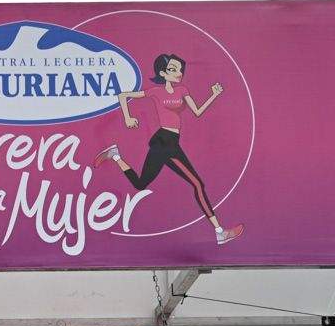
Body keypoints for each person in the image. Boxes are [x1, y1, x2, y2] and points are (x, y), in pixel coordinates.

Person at [95, 52, 243, 245]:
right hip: (164, 141)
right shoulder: (155, 92)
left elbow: (197, 111)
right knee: (197, 184)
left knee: (140, 184)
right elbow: (123, 95)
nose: (178, 73)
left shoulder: (183, 90)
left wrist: (213, 95)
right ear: (163, 73)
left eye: (180, 70)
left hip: (171, 142)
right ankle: (219, 232)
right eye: (173, 70)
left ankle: (115, 155)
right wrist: (127, 117)